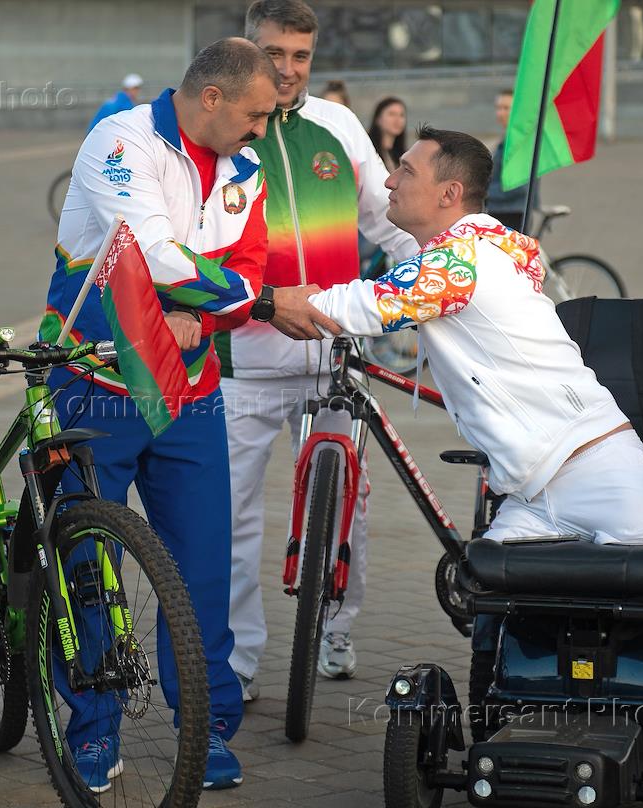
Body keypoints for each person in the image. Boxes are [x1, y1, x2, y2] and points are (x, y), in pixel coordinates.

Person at [38, 37, 278, 792]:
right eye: (256, 114)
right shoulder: (120, 140)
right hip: (95, 379)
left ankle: (204, 728)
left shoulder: (246, 168)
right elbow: (148, 251)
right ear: (211, 97)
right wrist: (249, 301)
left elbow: (249, 266)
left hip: (189, 388)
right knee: (88, 565)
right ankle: (91, 730)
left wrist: (200, 315)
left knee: (202, 565)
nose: (263, 130)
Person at [276, 126, 643, 547]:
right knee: (477, 581)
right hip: (530, 495)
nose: (389, 181)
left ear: (449, 193)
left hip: (602, 476)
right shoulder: (473, 249)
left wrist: (266, 301)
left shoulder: (461, 260)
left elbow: (363, 305)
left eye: (406, 171)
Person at [218, 0, 421, 699]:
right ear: (247, 47)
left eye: (300, 56)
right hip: (244, 363)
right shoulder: (222, 133)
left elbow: (390, 225)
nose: (287, 69)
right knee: (233, 516)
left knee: (346, 503)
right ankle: (237, 660)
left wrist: (442, 276)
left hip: (336, 357)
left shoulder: (338, 125)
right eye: (273, 53)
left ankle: (336, 625)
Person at [487, 88, 538, 231]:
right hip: (505, 210)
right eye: (498, 108)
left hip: (512, 212)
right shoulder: (510, 139)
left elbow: (518, 186)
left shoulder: (520, 142)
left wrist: (483, 192)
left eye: (506, 108)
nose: (500, 113)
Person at [368, 96, 407, 173]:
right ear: (378, 119)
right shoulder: (369, 149)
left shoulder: (403, 156)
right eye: (392, 114)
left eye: (401, 115)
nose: (397, 120)